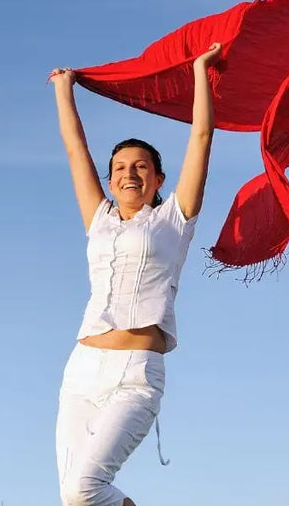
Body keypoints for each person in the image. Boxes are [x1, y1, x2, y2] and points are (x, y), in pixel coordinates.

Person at [48, 42, 222, 506]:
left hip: (136, 375)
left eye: (141, 167)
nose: (130, 174)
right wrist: (64, 89)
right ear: (110, 181)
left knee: (84, 491)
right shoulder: (99, 219)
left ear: (158, 179)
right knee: (72, 498)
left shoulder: (174, 221)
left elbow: (201, 137)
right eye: (120, 168)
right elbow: (75, 150)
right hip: (82, 371)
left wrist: (201, 71)